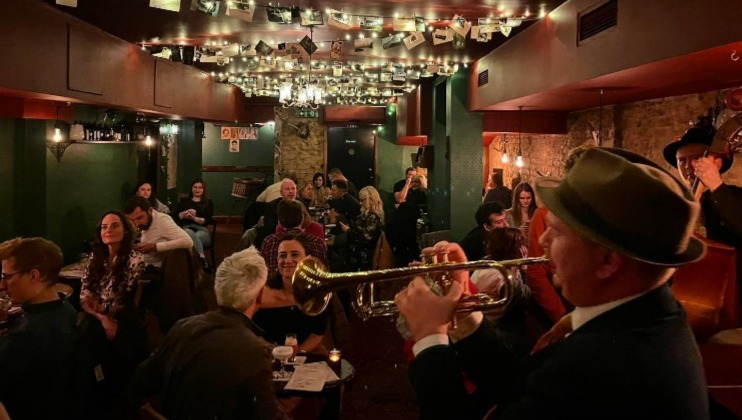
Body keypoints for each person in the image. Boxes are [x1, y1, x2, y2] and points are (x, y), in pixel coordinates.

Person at [395, 148, 709, 419]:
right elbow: (520, 386)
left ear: (608, 261)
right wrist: (464, 302)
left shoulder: (604, 370)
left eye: (556, 231)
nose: (543, 239)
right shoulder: (642, 319)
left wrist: (430, 340)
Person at [129, 247, 278, 419]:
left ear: (217, 290)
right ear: (259, 296)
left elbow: (138, 384)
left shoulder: (182, 328)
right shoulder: (253, 350)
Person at [78, 211, 149, 415]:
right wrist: (101, 316)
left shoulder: (135, 260)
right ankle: (93, 390)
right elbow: (84, 295)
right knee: (86, 328)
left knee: (88, 336)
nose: (108, 230)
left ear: (125, 230)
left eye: (114, 225)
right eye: (104, 227)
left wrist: (101, 309)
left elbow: (116, 301)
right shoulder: (95, 258)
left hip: (124, 319)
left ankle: (101, 395)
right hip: (97, 318)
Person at [0, 237, 77, 419]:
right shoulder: (66, 307)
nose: (2, 285)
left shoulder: (26, 336)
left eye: (7, 277)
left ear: (34, 275)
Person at [663, 120, 742, 262]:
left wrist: (715, 184)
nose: (688, 167)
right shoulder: (672, 203)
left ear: (716, 162)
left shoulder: (736, 197)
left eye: (697, 159)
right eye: (682, 161)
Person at [254, 233, 328, 354]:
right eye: (282, 256)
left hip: (305, 353)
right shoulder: (262, 291)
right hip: (268, 355)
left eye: (295, 254)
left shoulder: (316, 292)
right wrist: (273, 351)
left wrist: (296, 354)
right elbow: (252, 330)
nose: (287, 260)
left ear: (307, 258)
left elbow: (317, 333)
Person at [261, 200, 328, 277]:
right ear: (302, 218)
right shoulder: (317, 242)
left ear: (279, 221)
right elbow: (324, 275)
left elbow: (263, 272)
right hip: (308, 287)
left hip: (275, 287)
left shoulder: (269, 241)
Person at [123, 195, 193, 267]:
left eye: (139, 218)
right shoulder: (144, 223)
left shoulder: (162, 221)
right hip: (143, 264)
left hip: (156, 270)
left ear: (150, 211)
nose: (136, 224)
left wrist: (155, 246)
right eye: (132, 220)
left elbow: (188, 241)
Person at [336, 186, 385, 271]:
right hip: (357, 249)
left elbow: (365, 238)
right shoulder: (366, 214)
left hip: (364, 253)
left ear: (371, 199)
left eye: (363, 200)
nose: (360, 203)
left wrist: (348, 230)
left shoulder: (373, 216)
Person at [175, 178, 215, 271]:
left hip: (202, 230)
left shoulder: (208, 203)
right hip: (187, 228)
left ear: (203, 189)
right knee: (189, 232)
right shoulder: (184, 202)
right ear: (191, 189)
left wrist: (194, 218)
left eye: (200, 187)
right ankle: (202, 258)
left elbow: (207, 221)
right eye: (195, 187)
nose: (197, 190)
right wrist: (184, 214)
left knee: (193, 237)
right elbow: (175, 216)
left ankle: (191, 266)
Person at [391, 173, 427, 266]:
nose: (414, 183)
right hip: (402, 224)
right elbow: (399, 199)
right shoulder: (404, 188)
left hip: (413, 224)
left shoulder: (422, 193)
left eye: (417, 181)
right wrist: (407, 185)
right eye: (413, 181)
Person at [257, 178, 298, 248]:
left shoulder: (302, 204)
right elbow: (269, 230)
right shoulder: (272, 206)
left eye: (293, 188)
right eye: (287, 189)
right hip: (277, 241)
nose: (291, 191)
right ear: (281, 192)